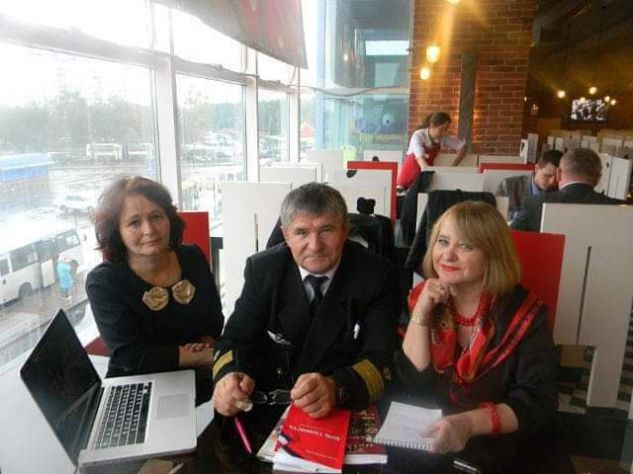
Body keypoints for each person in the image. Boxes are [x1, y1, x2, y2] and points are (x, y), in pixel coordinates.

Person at [212, 182, 399, 419]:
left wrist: (337, 388)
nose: (315, 245)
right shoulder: (263, 271)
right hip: (271, 406)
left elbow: (382, 359)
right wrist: (229, 376)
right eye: (301, 232)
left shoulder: (377, 276)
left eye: (326, 230)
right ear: (286, 234)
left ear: (345, 230)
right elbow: (236, 339)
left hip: (342, 406)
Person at [395, 201, 557, 457]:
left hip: (497, 443)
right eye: (443, 241)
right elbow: (411, 382)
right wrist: (422, 314)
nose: (448, 255)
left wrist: (468, 425)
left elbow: (538, 401)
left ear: (492, 254)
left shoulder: (524, 314)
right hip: (428, 437)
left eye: (465, 246)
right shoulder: (420, 298)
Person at [86, 176, 224, 405]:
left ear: (169, 218)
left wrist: (206, 342)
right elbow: (131, 356)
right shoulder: (104, 281)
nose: (149, 230)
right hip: (137, 390)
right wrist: (203, 356)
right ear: (116, 231)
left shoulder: (191, 256)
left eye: (156, 217)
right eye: (134, 223)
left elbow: (213, 318)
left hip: (196, 381)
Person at [511, 148, 625, 232]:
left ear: (559, 174)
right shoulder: (622, 210)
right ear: (598, 178)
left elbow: (511, 241)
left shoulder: (534, 204)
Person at [396, 112, 467, 190]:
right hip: (410, 173)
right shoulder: (418, 135)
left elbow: (463, 147)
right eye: (441, 129)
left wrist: (453, 167)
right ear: (432, 126)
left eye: (446, 130)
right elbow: (420, 159)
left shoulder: (443, 137)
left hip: (426, 174)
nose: (443, 132)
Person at [496, 149, 562, 221]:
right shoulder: (508, 186)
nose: (552, 182)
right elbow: (496, 214)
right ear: (537, 168)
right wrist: (521, 215)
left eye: (557, 177)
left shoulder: (561, 190)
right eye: (547, 175)